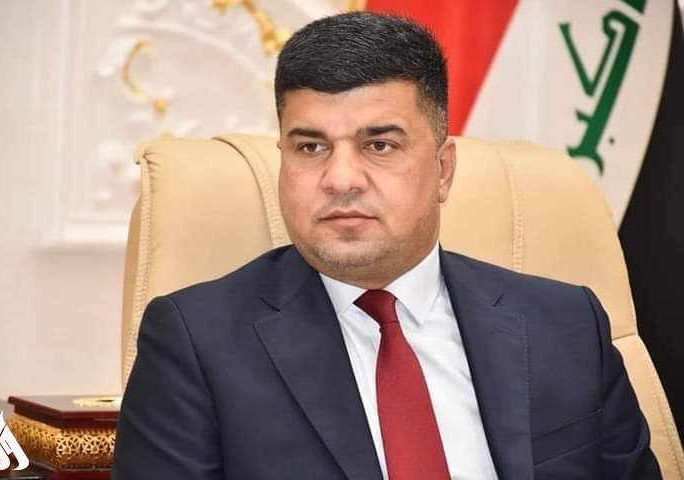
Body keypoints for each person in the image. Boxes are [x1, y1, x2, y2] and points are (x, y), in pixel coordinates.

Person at [112, 12, 661, 480]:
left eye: (379, 144)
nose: (340, 179)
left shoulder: (566, 325)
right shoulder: (195, 344)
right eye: (311, 147)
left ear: (443, 170)